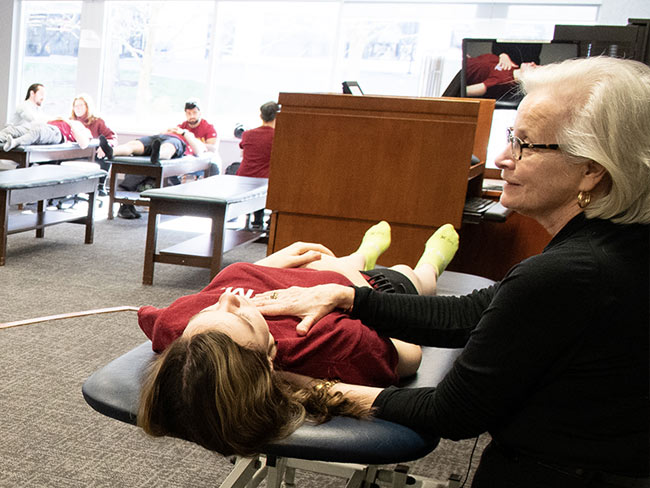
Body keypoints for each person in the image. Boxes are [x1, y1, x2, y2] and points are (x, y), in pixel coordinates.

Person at [254, 57, 650, 487]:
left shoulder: (572, 273)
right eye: (511, 138)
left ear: (592, 169)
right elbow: (473, 313)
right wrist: (348, 299)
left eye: (524, 145)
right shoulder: (616, 244)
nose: (503, 157)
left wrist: (301, 385)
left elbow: (452, 412)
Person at [137, 220, 460, 456]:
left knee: (335, 258)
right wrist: (344, 284)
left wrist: (258, 266)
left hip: (287, 271)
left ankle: (363, 252)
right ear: (270, 355)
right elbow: (410, 353)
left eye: (205, 315)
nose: (227, 300)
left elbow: (215, 292)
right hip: (365, 290)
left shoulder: (174, 327)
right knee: (411, 275)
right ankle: (429, 261)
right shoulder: (334, 345)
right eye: (241, 317)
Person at [98, 100, 212, 219]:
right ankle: (112, 151)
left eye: (194, 113)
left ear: (200, 113)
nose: (191, 116)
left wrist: (184, 133)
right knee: (134, 145)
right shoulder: (179, 126)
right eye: (188, 113)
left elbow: (200, 150)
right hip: (159, 137)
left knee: (167, 147)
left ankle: (158, 154)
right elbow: (162, 134)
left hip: (175, 141)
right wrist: (167, 131)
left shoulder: (189, 134)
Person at [236, 100, 279, 229]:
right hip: (266, 179)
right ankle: (270, 221)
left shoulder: (247, 134)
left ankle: (257, 219)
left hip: (243, 177)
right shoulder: (278, 135)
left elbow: (242, 155)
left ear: (261, 116)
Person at [71, 93, 117, 196]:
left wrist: (104, 146)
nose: (77, 108)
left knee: (105, 153)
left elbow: (112, 137)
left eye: (81, 105)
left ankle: (100, 185)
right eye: (75, 106)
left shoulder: (98, 121)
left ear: (87, 107)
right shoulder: (71, 121)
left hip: (94, 153)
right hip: (75, 153)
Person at [465, 53, 537, 100]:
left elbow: (467, 90)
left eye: (535, 68)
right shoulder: (513, 66)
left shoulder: (504, 81)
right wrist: (503, 55)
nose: (533, 63)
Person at [0, 118, 91, 152]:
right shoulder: (64, 119)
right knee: (13, 129)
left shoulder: (82, 128)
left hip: (58, 133)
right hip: (45, 125)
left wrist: (71, 125)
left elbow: (84, 144)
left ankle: (15, 142)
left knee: (38, 132)